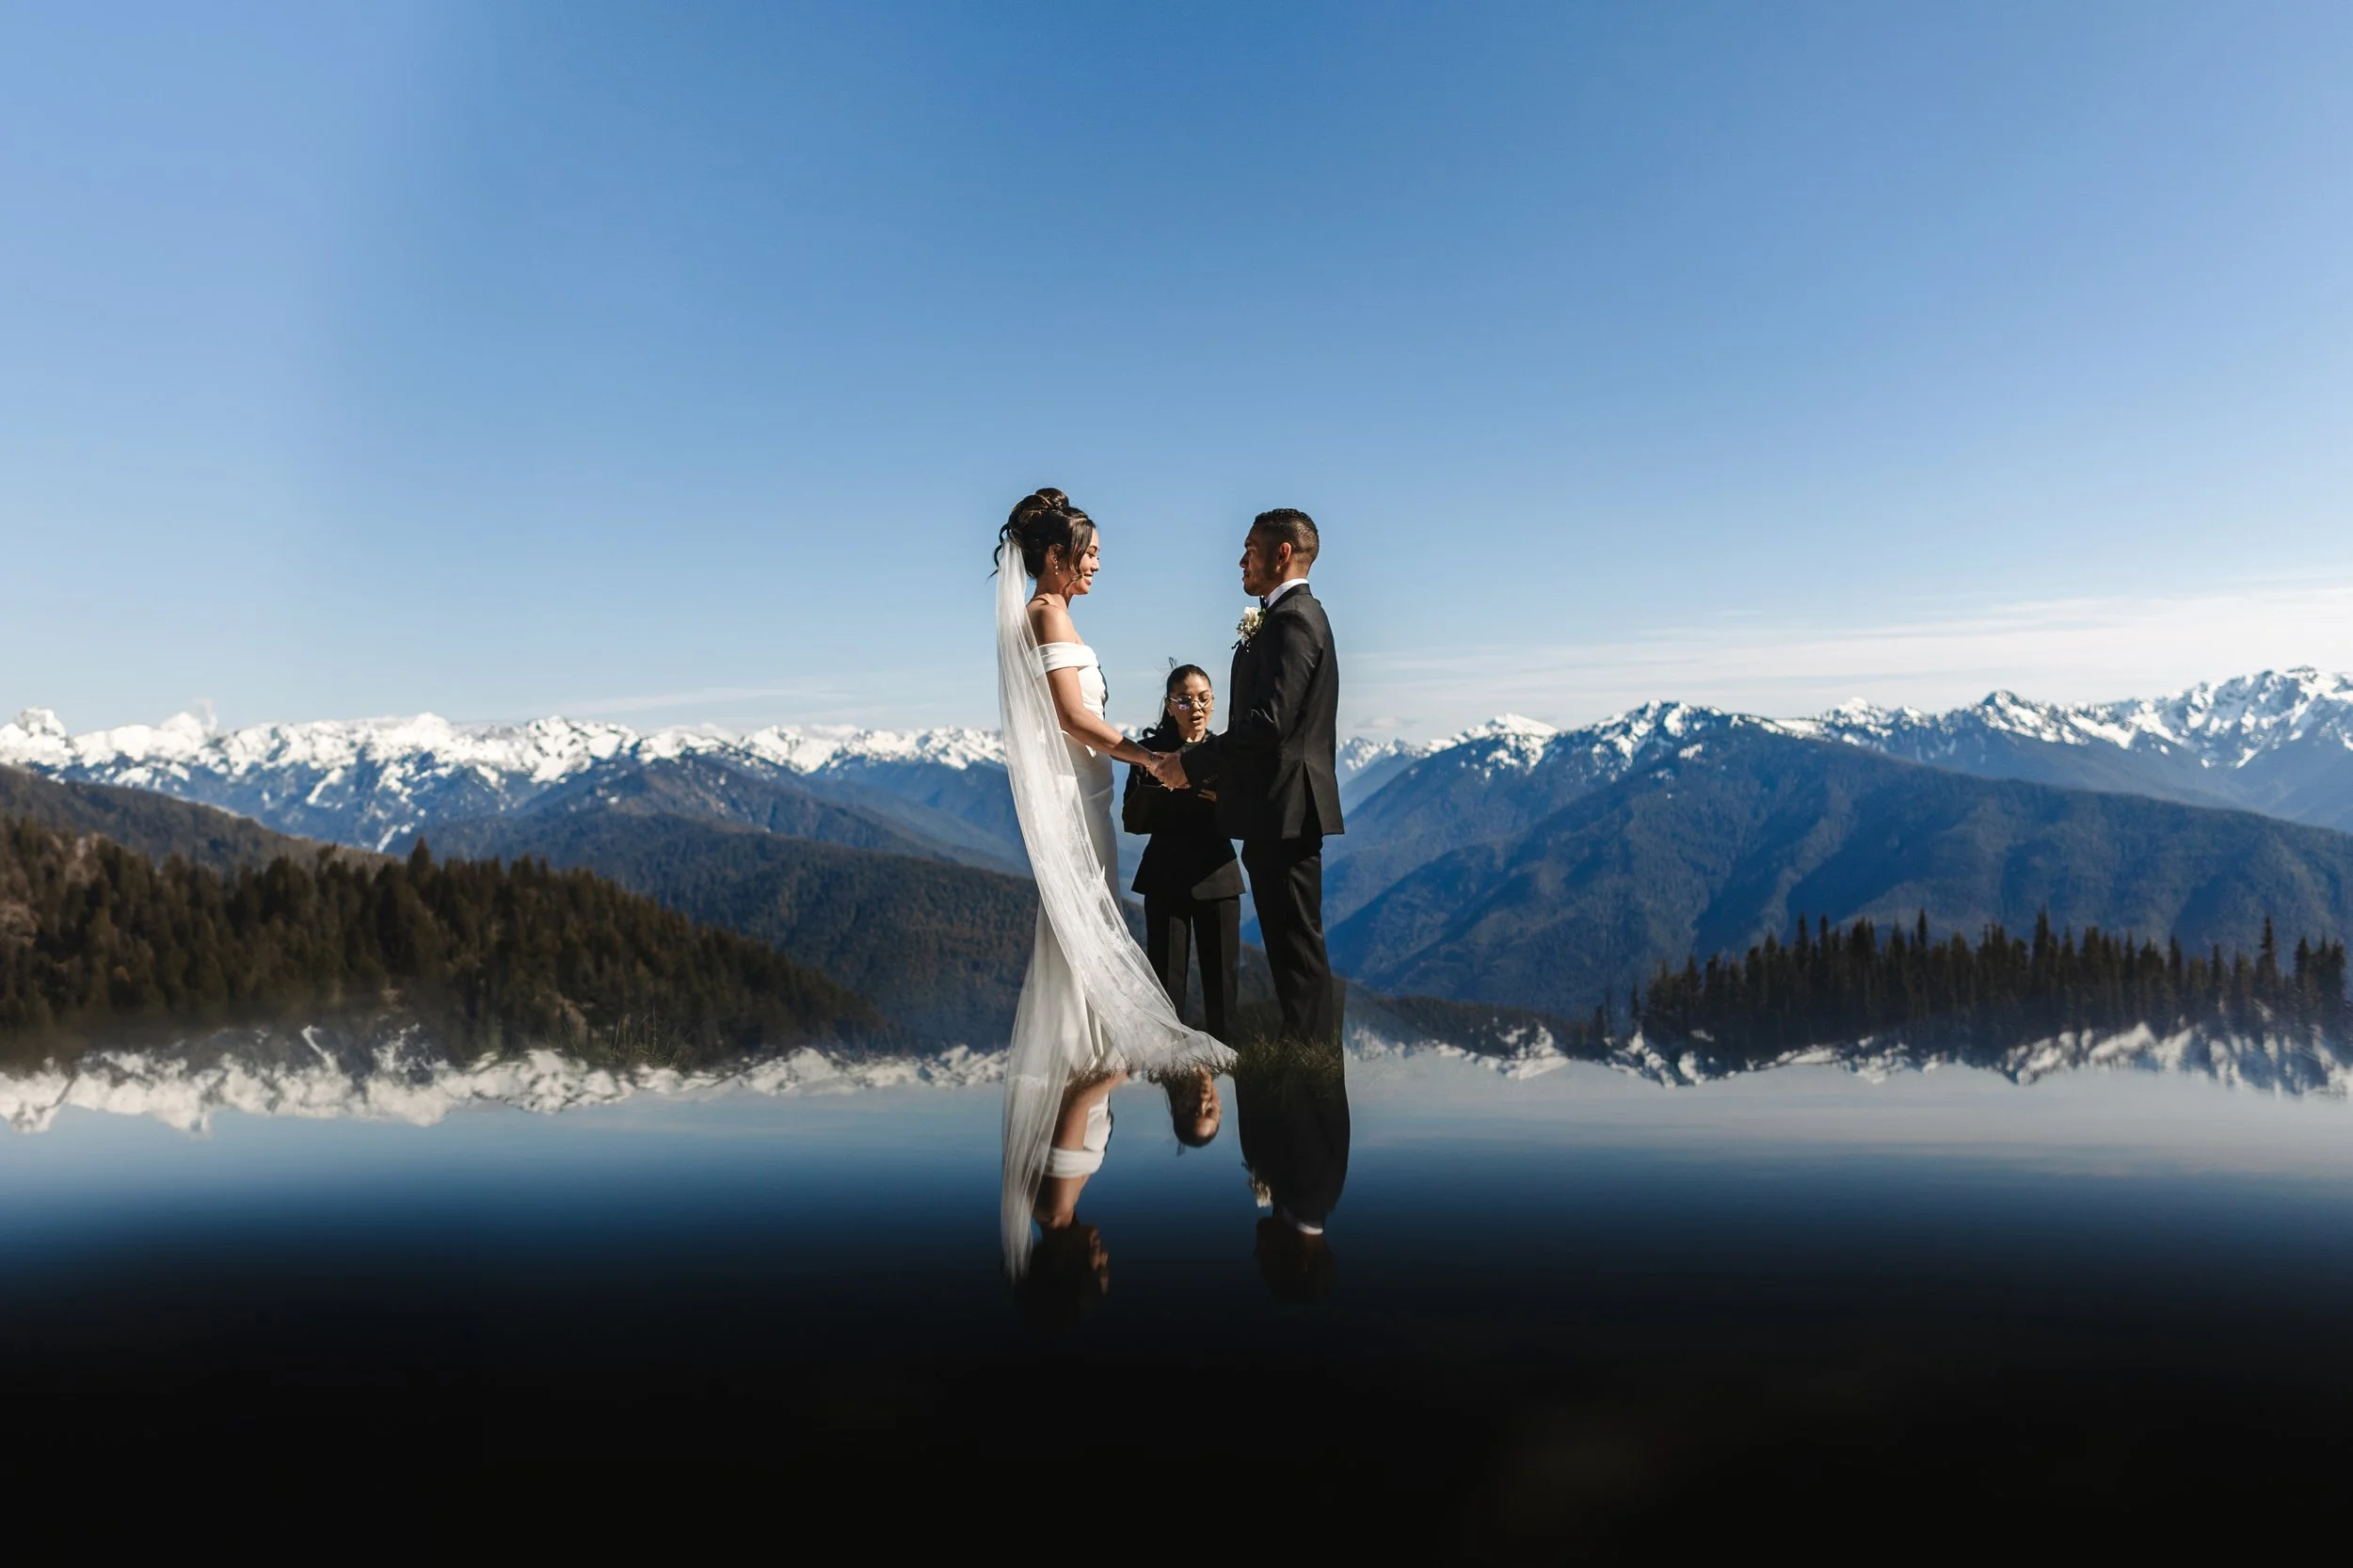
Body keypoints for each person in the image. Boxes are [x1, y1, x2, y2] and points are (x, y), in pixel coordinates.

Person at [993, 488, 1234, 1280]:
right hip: (1079, 801)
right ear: (1055, 556)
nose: (1096, 566)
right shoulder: (1048, 618)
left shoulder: (1045, 618)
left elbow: (1065, 717)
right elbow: (1070, 718)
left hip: (1084, 800)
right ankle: (1104, 1042)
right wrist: (1150, 758)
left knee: (1088, 933)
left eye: (1091, 1267)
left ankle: (1099, 1040)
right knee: (1086, 931)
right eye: (1088, 555)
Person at [1155, 508, 1343, 1049]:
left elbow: (1266, 724)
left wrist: (1190, 764)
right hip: (1274, 808)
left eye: (1250, 548)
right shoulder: (1286, 617)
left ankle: (1311, 1053)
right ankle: (1303, 1045)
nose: (1241, 559)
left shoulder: (1295, 621)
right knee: (1288, 940)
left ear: (1281, 554)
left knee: (1296, 941)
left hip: (1286, 808)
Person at [1122, 664, 1244, 1048]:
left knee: (1222, 986)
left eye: (1204, 697)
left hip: (1217, 876)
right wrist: (1164, 785)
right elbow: (1132, 819)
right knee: (1166, 983)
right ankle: (1169, 1072)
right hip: (1166, 877)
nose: (1197, 706)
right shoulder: (1149, 753)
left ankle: (1226, 1069)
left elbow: (1247, 815)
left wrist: (1220, 800)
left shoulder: (1227, 751)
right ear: (1169, 705)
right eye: (1185, 699)